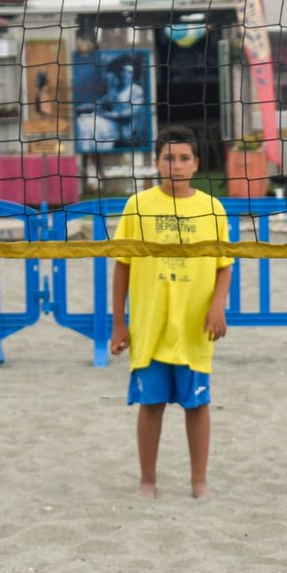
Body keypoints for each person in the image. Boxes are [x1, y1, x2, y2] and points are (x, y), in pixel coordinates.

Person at [108, 125, 233, 499]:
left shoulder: (212, 208)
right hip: (149, 326)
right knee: (150, 405)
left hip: (194, 327)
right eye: (168, 158)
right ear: (156, 161)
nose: (175, 165)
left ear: (195, 163)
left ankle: (199, 481)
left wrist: (217, 307)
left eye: (183, 158)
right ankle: (148, 480)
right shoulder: (138, 206)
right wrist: (118, 323)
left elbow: (223, 264)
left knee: (197, 405)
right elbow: (122, 266)